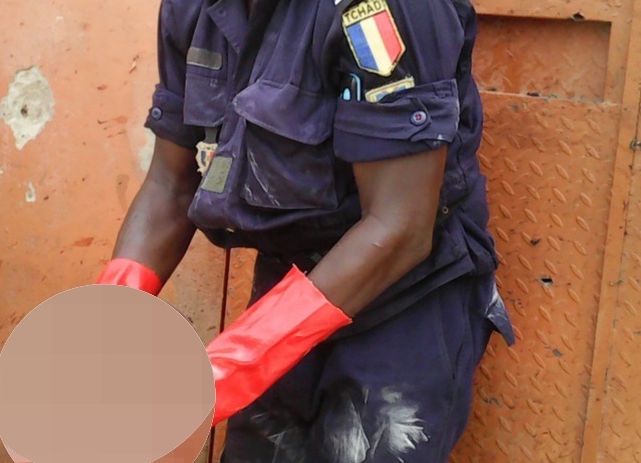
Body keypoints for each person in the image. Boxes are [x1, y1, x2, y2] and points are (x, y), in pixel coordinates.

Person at [96, 0, 516, 461]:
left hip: (404, 296)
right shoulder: (193, 9)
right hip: (287, 285)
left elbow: (399, 228)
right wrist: (108, 332)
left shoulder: (385, 9)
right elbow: (171, 187)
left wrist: (221, 375)